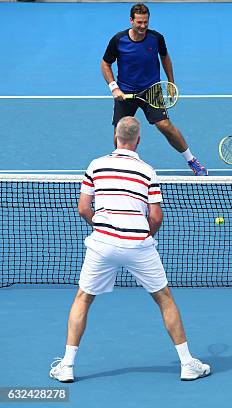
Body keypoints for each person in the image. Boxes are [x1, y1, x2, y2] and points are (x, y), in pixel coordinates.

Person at [49, 116, 210, 382]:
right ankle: (187, 364)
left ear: (116, 137)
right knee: (164, 298)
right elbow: (156, 217)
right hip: (139, 245)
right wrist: (140, 235)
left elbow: (83, 208)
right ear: (138, 140)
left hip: (102, 243)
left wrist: (102, 227)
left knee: (83, 299)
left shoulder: (96, 166)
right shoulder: (148, 171)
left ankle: (66, 365)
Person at [101, 3, 207, 176]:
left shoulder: (156, 38)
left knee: (165, 126)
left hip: (152, 90)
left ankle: (191, 160)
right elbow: (105, 63)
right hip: (125, 93)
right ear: (131, 20)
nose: (143, 26)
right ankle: (123, 167)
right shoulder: (118, 40)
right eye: (139, 22)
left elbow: (165, 57)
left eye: (146, 22)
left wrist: (171, 83)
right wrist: (114, 88)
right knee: (120, 132)